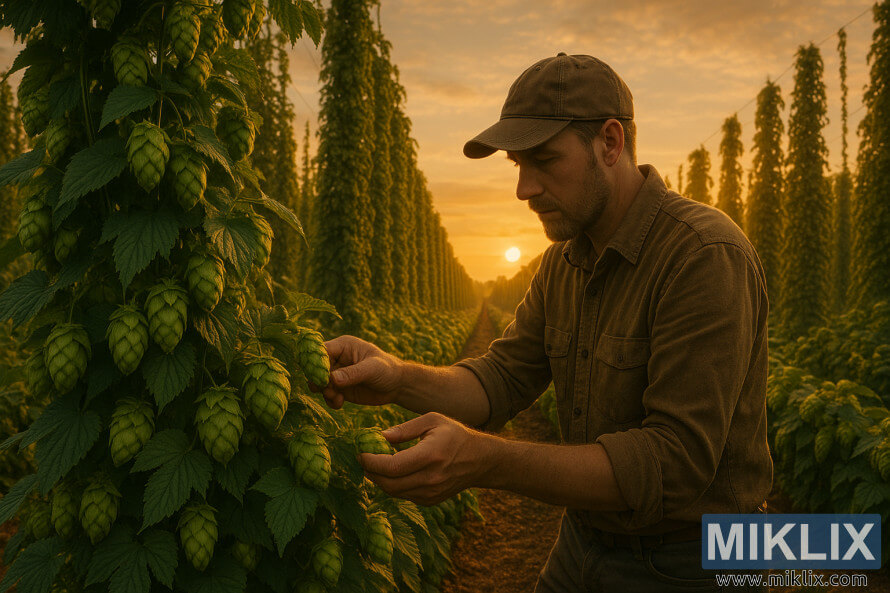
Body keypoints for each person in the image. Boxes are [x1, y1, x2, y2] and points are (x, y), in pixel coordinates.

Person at [317, 53, 772, 592]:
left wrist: (488, 460)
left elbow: (672, 463)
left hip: (693, 561)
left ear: (610, 142)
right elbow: (502, 379)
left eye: (545, 161)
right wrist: (398, 377)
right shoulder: (563, 263)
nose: (523, 189)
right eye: (518, 165)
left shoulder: (702, 255)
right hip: (584, 539)